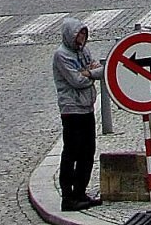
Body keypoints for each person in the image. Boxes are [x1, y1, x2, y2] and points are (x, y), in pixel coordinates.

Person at [52, 17, 103, 211]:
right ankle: (68, 196)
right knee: (72, 151)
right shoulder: (61, 55)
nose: (82, 37)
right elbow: (76, 81)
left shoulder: (84, 52)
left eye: (84, 33)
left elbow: (99, 70)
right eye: (79, 33)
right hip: (71, 109)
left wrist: (87, 73)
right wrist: (89, 74)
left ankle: (81, 191)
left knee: (88, 151)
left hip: (87, 107)